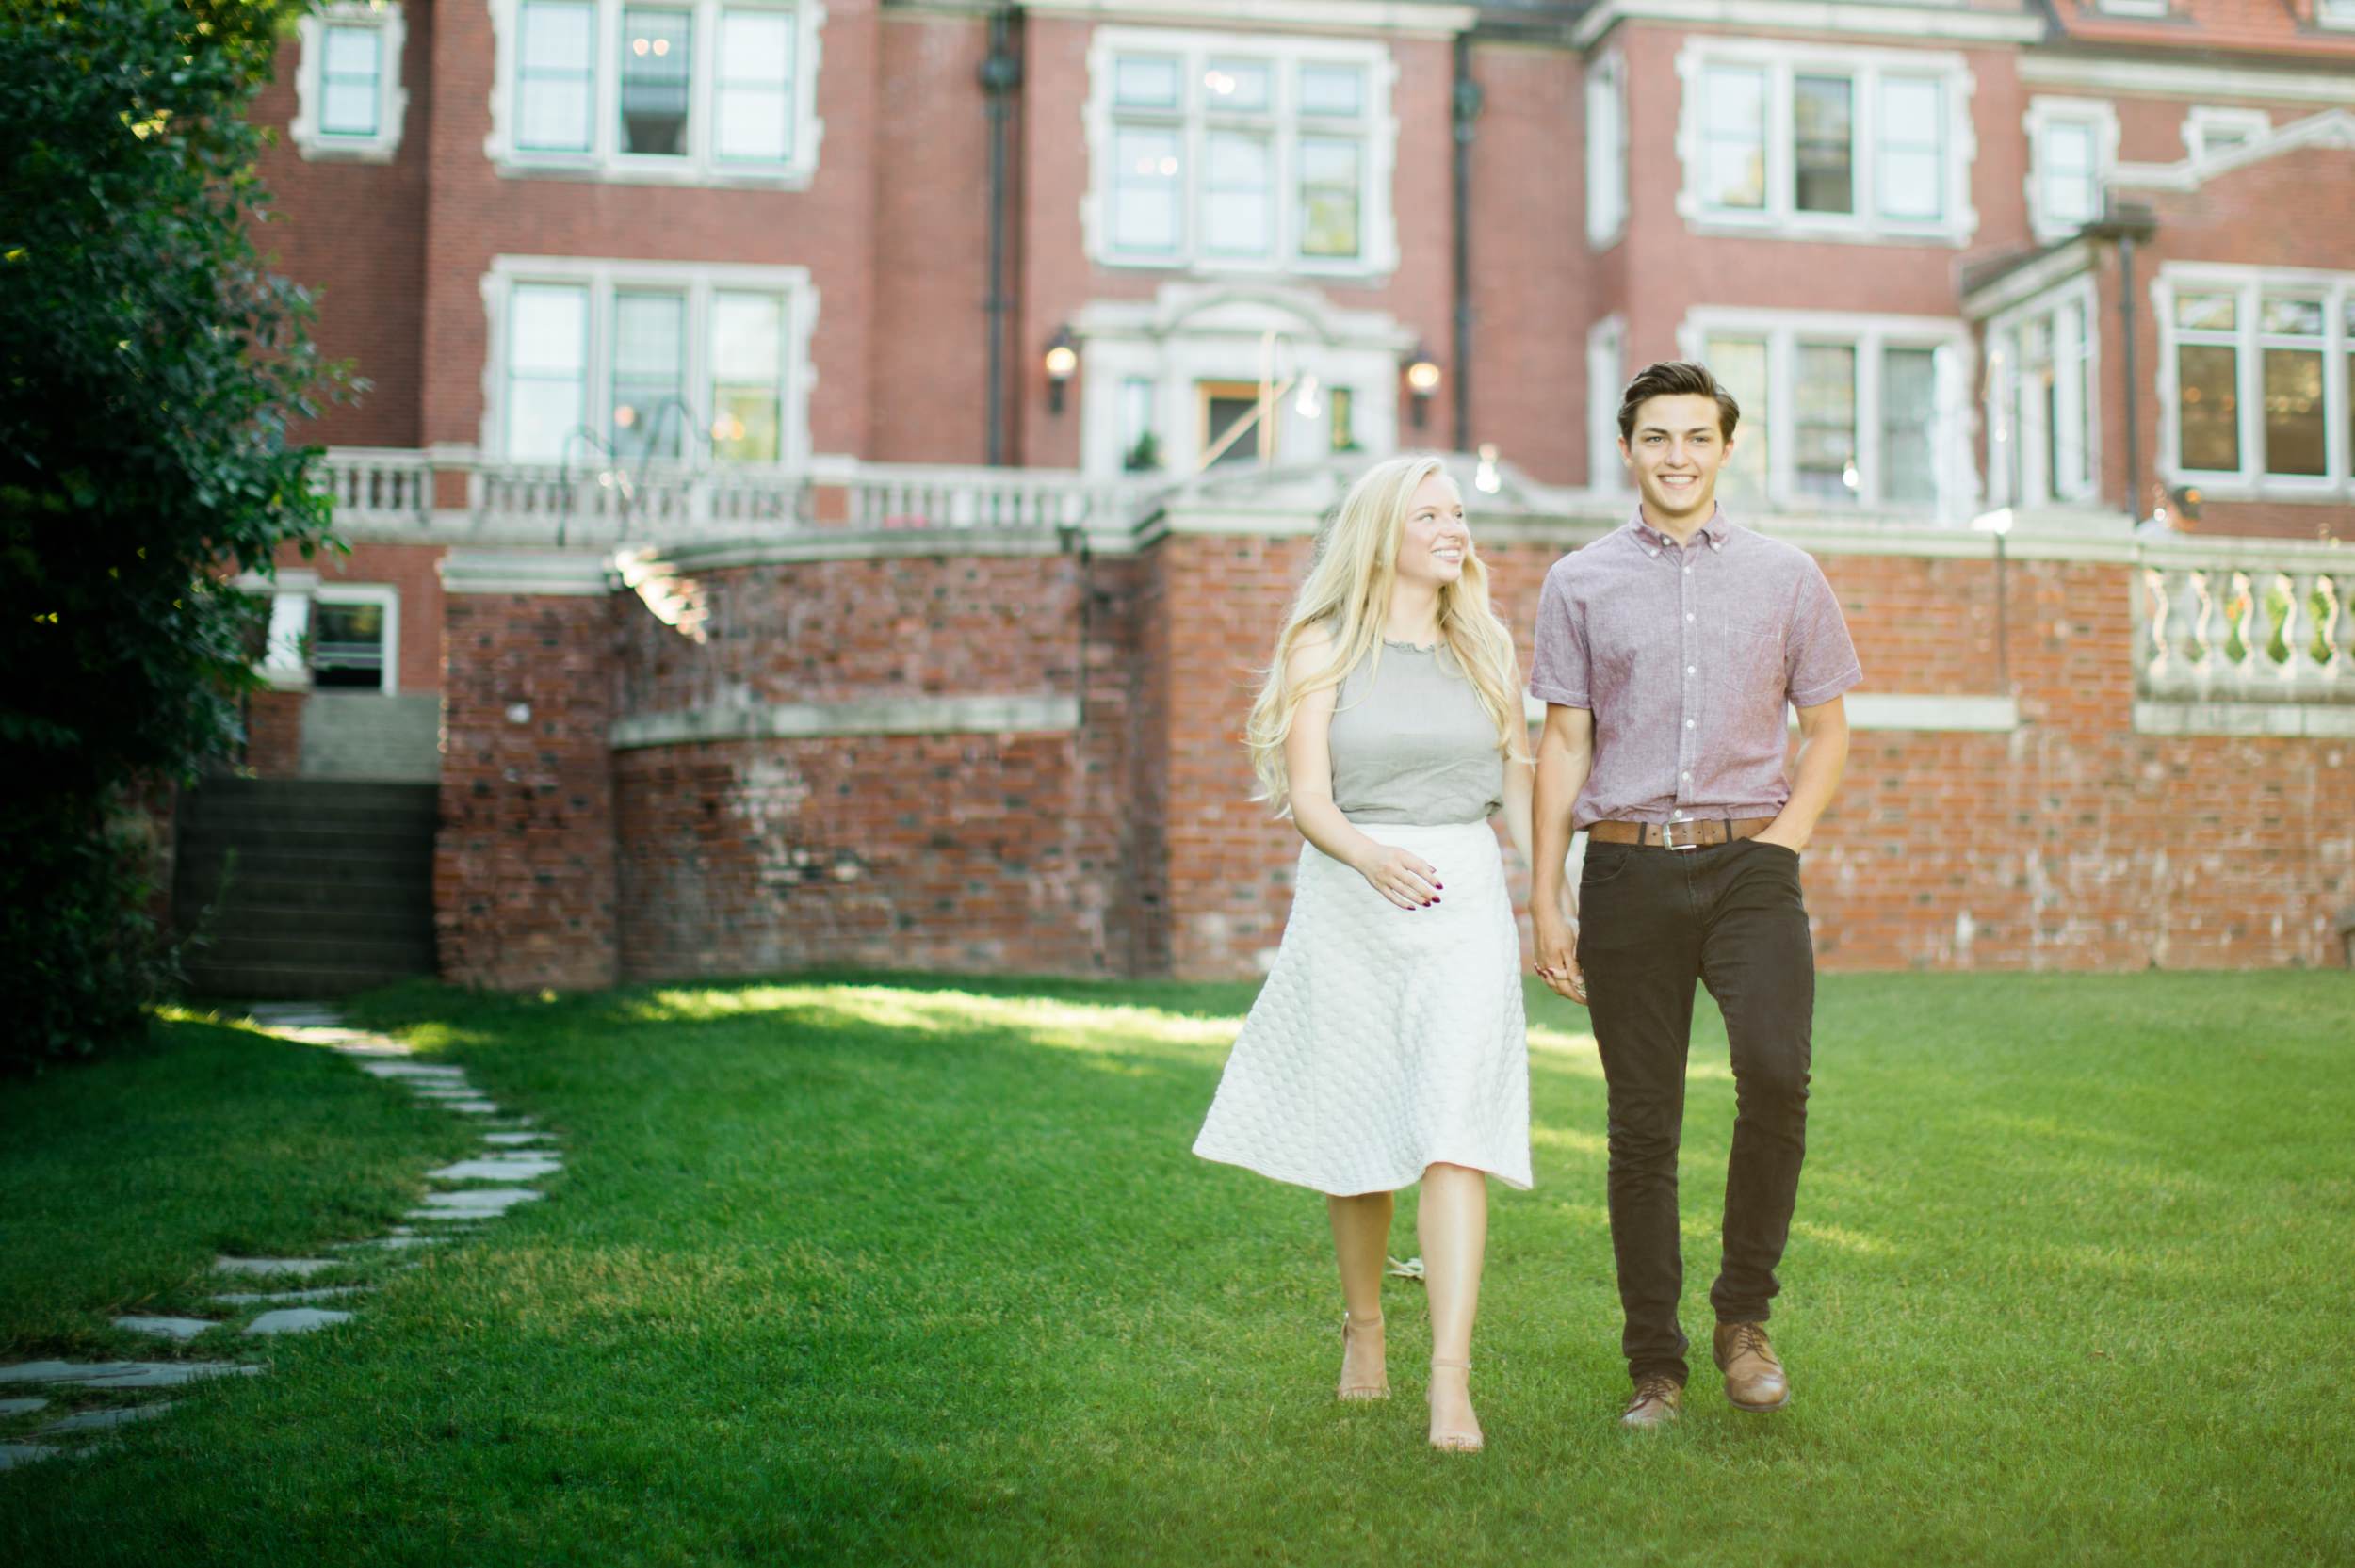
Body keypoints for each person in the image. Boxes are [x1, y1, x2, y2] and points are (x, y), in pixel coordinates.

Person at [1526, 360, 1860, 1430]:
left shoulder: (1786, 576)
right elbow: (1564, 742)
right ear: (1627, 450)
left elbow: (1830, 728)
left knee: (1774, 1074)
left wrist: (1781, 847)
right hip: (1625, 868)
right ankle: (1655, 1365)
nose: (1676, 456)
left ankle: (1743, 1320)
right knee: (1641, 1124)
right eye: (1656, 437)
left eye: (1696, 437)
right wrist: (1546, 895)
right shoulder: (1578, 582)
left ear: (1727, 447)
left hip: (1748, 866)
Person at [1193, 454, 1535, 1454]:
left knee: (1453, 1127)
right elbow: (1309, 796)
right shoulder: (1321, 648)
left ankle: (1450, 1382)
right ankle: (1366, 1328)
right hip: (1354, 896)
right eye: (1429, 513)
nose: (1452, 528)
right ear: (1380, 530)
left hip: (1464, 900)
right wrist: (1367, 855)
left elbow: (1514, 789)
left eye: (1459, 513)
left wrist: (1552, 894)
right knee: (1361, 1128)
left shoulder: (1485, 648)